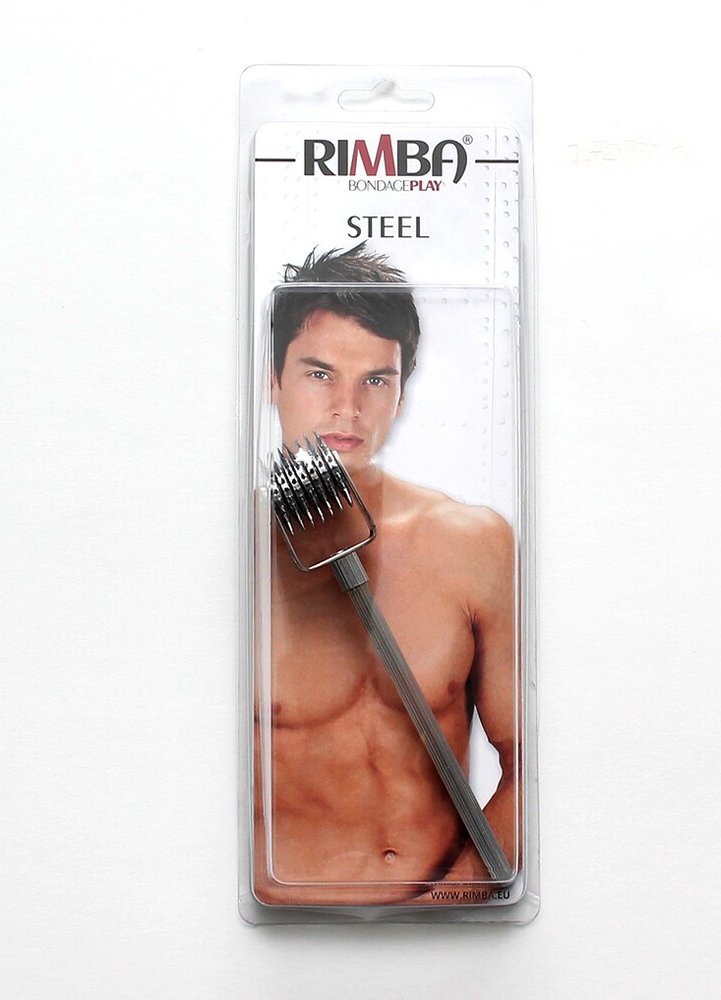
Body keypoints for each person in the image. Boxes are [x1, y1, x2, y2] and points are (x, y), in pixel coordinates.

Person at [254, 244, 517, 906]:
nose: (347, 408)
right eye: (320, 374)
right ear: (272, 379)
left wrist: (452, 902)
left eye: (376, 380)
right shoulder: (227, 555)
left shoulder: (473, 542)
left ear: (402, 391)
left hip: (448, 934)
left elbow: (534, 762)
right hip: (277, 938)